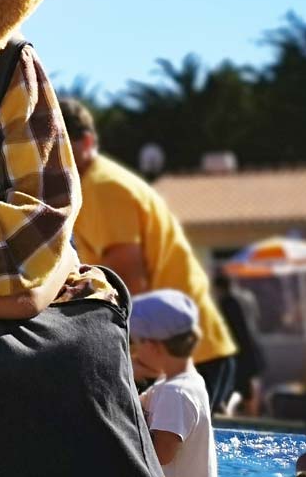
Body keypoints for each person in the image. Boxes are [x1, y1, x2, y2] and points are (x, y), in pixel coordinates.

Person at [62, 98, 239, 412]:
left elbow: (130, 285)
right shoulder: (99, 184)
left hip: (174, 354)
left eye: (58, 144)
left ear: (86, 142)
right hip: (183, 349)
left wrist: (126, 358)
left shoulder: (103, 189)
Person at [131, 289, 216, 477]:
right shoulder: (179, 382)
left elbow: (160, 456)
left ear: (153, 346)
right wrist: (129, 374)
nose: (135, 353)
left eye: (137, 343)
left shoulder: (175, 393)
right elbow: (131, 406)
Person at [213, 272, 266, 416]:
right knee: (253, 381)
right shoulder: (248, 297)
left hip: (241, 350)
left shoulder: (227, 301)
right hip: (255, 345)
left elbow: (229, 329)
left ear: (219, 287)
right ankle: (254, 414)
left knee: (241, 387)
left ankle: (249, 416)